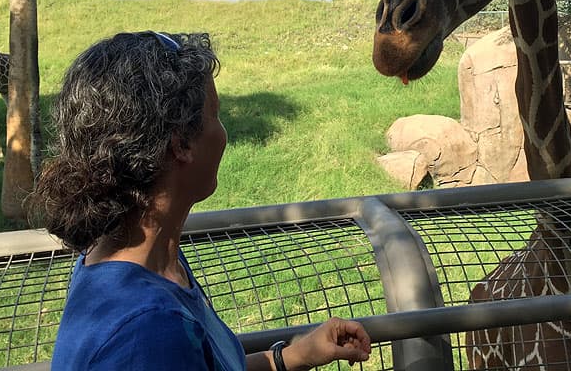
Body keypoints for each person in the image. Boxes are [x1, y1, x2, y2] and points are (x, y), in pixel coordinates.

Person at [29, 31, 371, 370]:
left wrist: (293, 356)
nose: (224, 133)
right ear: (181, 144)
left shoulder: (146, 260)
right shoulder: (146, 332)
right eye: (216, 115)